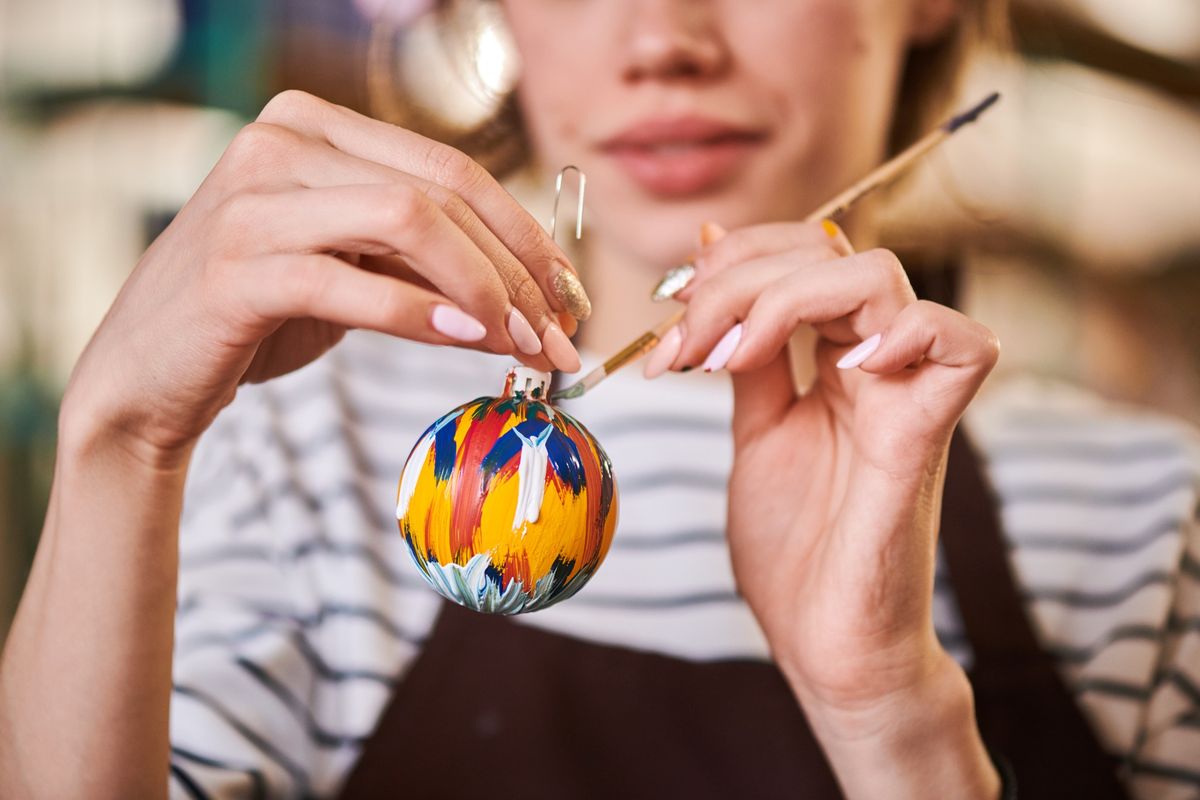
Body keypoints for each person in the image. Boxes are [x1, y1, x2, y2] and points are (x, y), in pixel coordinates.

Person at [2, 0, 1197, 797]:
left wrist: (890, 711)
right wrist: (118, 439)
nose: (661, 39)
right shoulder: (290, 434)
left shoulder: (1156, 517)